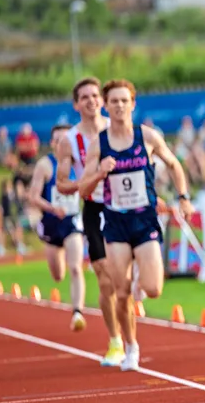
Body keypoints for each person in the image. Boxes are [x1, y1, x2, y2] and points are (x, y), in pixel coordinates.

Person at [76, 79, 193, 372]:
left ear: (132, 104)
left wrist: (183, 197)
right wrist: (99, 173)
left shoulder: (148, 137)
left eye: (124, 100)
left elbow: (175, 165)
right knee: (121, 290)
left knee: (152, 289)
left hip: (144, 219)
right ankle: (130, 346)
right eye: (113, 101)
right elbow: (82, 189)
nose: (119, 106)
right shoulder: (99, 145)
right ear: (106, 105)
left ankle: (143, 270)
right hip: (115, 222)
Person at [55, 77, 125, 366]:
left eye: (95, 95)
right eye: (85, 97)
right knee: (103, 277)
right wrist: (88, 181)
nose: (91, 100)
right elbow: (61, 183)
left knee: (126, 278)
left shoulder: (118, 128)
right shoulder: (69, 140)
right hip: (94, 207)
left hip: (125, 206)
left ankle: (131, 299)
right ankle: (115, 341)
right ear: (76, 104)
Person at [27, 124, 87, 332]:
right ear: (52, 143)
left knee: (76, 267)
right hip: (52, 223)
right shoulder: (45, 165)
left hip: (72, 221)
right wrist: (52, 208)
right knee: (58, 275)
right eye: (57, 140)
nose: (61, 143)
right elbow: (33, 196)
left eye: (65, 139)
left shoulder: (80, 162)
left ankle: (77, 312)